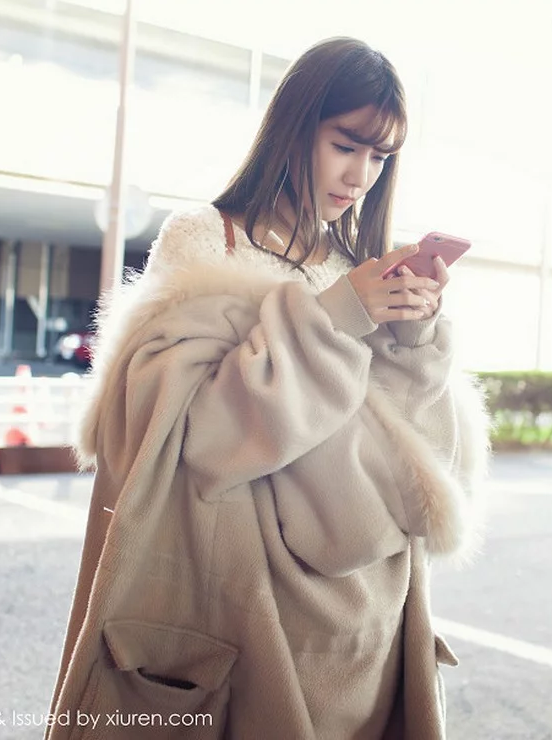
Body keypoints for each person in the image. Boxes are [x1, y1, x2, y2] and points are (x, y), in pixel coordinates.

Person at [45, 37, 491, 740]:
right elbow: (195, 435)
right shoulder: (207, 242)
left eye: (381, 156)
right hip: (255, 599)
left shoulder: (358, 262)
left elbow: (419, 454)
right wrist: (336, 315)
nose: (361, 175)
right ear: (295, 127)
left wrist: (415, 339)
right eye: (346, 144)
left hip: (369, 612)